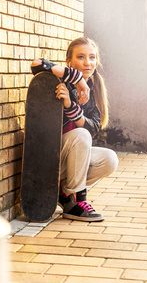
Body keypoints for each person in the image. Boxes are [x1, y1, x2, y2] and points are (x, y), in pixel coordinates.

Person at [31, 37, 118, 222]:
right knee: (80, 135)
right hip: (49, 158)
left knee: (109, 159)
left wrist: (71, 106)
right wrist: (78, 79)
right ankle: (77, 201)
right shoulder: (59, 79)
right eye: (81, 57)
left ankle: (66, 195)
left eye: (92, 57)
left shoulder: (94, 89)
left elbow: (93, 127)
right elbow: (36, 64)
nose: (88, 62)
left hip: (68, 160)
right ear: (69, 61)